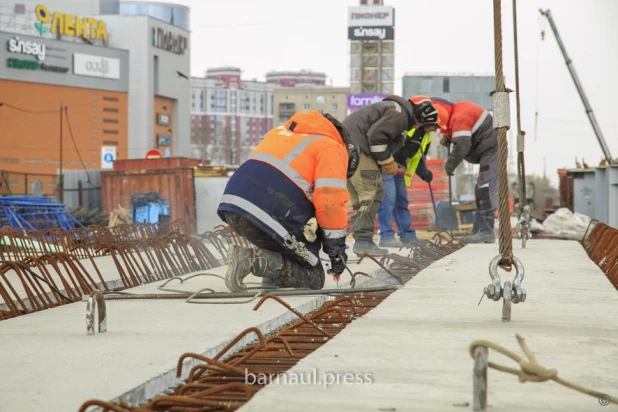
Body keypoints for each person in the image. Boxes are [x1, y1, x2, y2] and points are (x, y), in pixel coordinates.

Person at [217, 110, 359, 292]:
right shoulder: (332, 147)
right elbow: (330, 202)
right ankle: (252, 260)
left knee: (289, 248)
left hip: (234, 205)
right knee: (314, 277)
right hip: (267, 210)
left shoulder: (278, 133)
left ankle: (270, 273)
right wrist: (336, 252)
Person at [343, 95, 441, 256]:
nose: (417, 127)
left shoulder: (398, 113)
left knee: (374, 192)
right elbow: (376, 137)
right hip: (357, 149)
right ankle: (362, 241)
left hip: (354, 147)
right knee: (370, 193)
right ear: (418, 115)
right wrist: (387, 162)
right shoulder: (400, 115)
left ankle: (359, 239)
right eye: (419, 124)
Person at [377, 96, 444, 248]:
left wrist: (424, 173)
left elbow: (418, 157)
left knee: (401, 201)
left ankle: (407, 236)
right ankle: (386, 235)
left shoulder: (426, 136)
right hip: (387, 165)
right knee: (388, 200)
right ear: (428, 122)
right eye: (436, 126)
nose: (436, 130)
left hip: (400, 170)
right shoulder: (409, 128)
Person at [430, 98, 498, 243]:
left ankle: (487, 231)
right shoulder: (456, 112)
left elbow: (462, 145)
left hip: (491, 150)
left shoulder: (459, 116)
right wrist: (449, 137)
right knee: (480, 190)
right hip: (485, 149)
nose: (436, 130)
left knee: (485, 188)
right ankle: (479, 230)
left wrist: (450, 165)